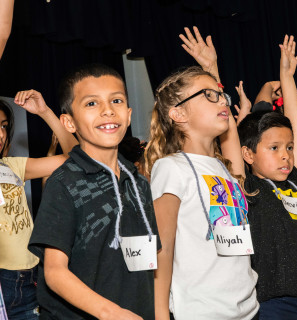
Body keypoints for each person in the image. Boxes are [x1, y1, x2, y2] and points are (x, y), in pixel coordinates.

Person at [28, 63, 160, 319]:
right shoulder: (64, 182)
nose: (108, 110)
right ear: (68, 122)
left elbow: (150, 262)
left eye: (117, 100)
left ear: (129, 115)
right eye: (91, 103)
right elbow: (55, 273)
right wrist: (112, 313)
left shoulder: (140, 183)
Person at [148, 27, 258, 320]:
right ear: (178, 114)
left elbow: (231, 133)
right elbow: (163, 247)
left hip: (247, 311)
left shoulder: (225, 167)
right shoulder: (170, 167)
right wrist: (160, 315)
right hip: (203, 313)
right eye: (209, 95)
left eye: (221, 95)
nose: (223, 100)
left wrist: (212, 69)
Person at [238, 35, 297, 319]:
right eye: (274, 148)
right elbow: (231, 136)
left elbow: (296, 128)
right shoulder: (247, 186)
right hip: (274, 304)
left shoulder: (296, 182)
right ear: (248, 155)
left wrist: (287, 77)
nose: (286, 154)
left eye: (288, 148)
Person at [0, 91, 78, 319]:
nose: (1, 134)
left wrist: (45, 112)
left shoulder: (12, 166)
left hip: (31, 277)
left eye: (4, 126)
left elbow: (77, 158)